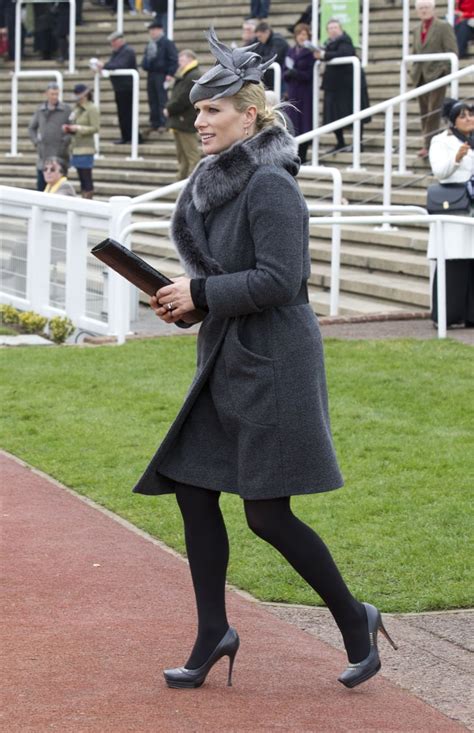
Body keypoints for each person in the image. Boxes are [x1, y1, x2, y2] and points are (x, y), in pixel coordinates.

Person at [134, 28, 398, 691]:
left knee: (266, 513)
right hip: (229, 348)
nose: (200, 121)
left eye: (212, 110)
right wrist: (192, 304)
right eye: (197, 111)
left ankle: (354, 617)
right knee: (193, 485)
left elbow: (281, 280)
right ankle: (212, 630)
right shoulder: (211, 181)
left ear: (249, 114)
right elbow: (234, 278)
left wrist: (200, 292)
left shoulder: (270, 184)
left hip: (274, 358)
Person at [428, 98, 474, 327]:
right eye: (463, 116)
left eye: (471, 114)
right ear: (453, 121)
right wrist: (457, 159)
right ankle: (447, 315)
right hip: (454, 208)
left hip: (472, 210)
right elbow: (439, 172)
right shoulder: (441, 141)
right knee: (453, 261)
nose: (469, 119)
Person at [314, 18, 371, 153]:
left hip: (349, 86)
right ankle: (341, 143)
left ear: (341, 29)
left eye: (335, 27)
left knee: (355, 112)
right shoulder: (328, 43)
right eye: (330, 28)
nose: (333, 30)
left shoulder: (345, 40)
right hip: (335, 86)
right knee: (333, 115)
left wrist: (324, 54)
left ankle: (358, 144)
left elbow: (344, 53)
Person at [410, 0, 459, 158]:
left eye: (426, 7)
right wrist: (413, 71)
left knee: (434, 111)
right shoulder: (417, 29)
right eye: (421, 8)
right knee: (424, 111)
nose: (424, 10)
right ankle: (428, 143)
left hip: (437, 74)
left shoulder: (443, 26)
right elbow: (415, 52)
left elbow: (452, 50)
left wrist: (445, 70)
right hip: (420, 76)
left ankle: (429, 145)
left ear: (433, 8)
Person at [95, 31, 138, 144]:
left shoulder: (127, 51)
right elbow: (113, 64)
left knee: (128, 113)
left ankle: (133, 137)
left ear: (120, 40)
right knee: (122, 114)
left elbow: (120, 65)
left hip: (127, 87)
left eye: (113, 41)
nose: (112, 44)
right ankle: (126, 136)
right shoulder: (118, 52)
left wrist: (104, 65)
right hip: (120, 87)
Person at [164, 49, 201, 180]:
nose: (180, 63)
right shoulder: (186, 75)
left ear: (190, 59)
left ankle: (192, 183)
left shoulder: (192, 75)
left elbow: (184, 98)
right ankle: (181, 182)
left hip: (185, 120)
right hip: (180, 120)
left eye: (182, 60)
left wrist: (170, 108)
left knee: (191, 156)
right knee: (183, 157)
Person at [28, 82, 71, 191]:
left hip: (60, 155)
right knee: (41, 188)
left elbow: (71, 129)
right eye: (52, 94)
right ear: (46, 94)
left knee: (60, 188)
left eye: (57, 94)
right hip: (44, 155)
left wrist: (65, 142)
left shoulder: (66, 110)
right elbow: (31, 128)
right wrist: (36, 142)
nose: (55, 97)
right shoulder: (40, 110)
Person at [283, 23, 315, 163]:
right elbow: (285, 69)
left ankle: (303, 155)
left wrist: (296, 73)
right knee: (293, 123)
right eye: (299, 34)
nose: (302, 37)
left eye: (305, 34)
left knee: (305, 123)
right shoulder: (291, 51)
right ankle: (293, 154)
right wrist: (288, 73)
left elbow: (309, 75)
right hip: (292, 92)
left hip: (305, 93)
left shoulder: (310, 52)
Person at [141, 18, 178, 136]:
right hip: (151, 74)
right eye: (151, 30)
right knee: (152, 99)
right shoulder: (150, 44)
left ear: (160, 30)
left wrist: (170, 74)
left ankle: (163, 123)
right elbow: (145, 61)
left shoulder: (167, 43)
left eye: (154, 30)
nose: (152, 32)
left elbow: (173, 59)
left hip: (162, 74)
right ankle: (154, 122)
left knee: (162, 100)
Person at [64, 84, 100, 199]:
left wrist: (79, 128)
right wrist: (69, 129)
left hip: (86, 148)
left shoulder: (92, 108)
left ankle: (88, 201)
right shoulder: (76, 109)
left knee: (86, 178)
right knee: (81, 177)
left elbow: (95, 128)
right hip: (75, 147)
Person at [254, 21, 289, 92]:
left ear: (267, 32)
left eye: (260, 36)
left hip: (281, 77)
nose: (258, 39)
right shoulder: (264, 42)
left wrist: (256, 61)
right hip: (272, 77)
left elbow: (273, 58)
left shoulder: (278, 41)